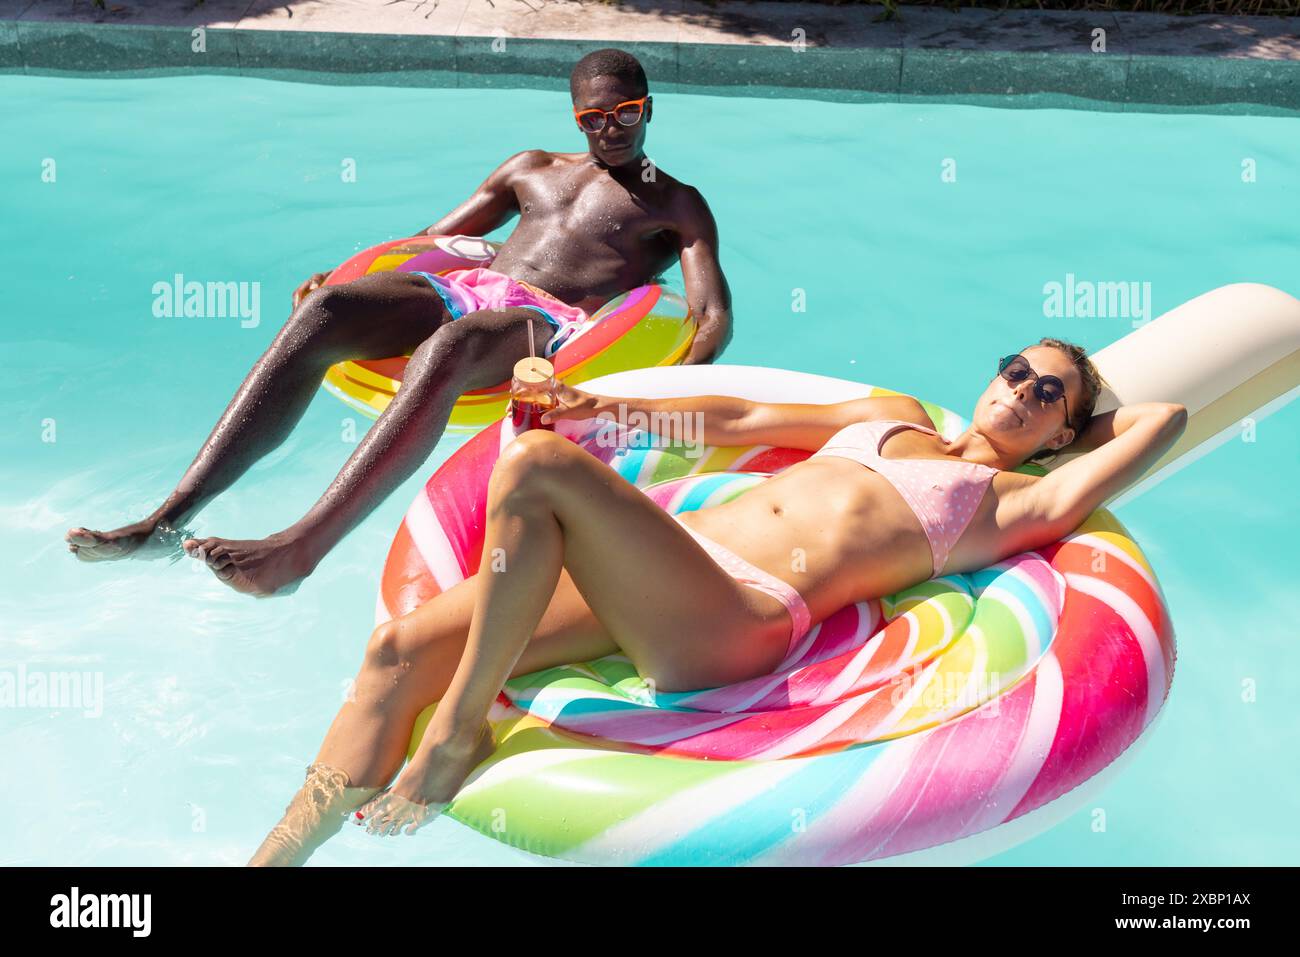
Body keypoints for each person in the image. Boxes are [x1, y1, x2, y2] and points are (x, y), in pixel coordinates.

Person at [248, 339, 1187, 865]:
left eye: (1048, 394)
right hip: (664, 568)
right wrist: (594, 409)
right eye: (1017, 369)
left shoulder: (1010, 505)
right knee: (396, 652)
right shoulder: (892, 411)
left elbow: (1164, 419)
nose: (1020, 390)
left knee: (535, 464)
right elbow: (733, 421)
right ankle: (278, 856)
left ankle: (456, 732)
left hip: (740, 618)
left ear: (1066, 429)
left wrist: (1082, 431)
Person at [65, 48, 733, 597]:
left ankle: (301, 547)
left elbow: (710, 315)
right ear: (575, 115)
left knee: (456, 344)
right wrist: (343, 283)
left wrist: (660, 395)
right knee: (324, 313)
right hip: (467, 286)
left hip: (544, 323)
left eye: (626, 113)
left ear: (649, 108)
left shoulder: (675, 203)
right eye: (593, 117)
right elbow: (429, 241)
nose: (609, 129)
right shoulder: (531, 169)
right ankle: (165, 520)